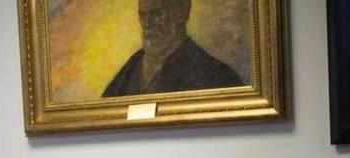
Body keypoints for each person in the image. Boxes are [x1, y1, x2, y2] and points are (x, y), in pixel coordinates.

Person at [103, 0, 244, 97]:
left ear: (182, 13)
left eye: (157, 14)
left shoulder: (215, 75)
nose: (147, 24)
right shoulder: (131, 68)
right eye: (143, 15)